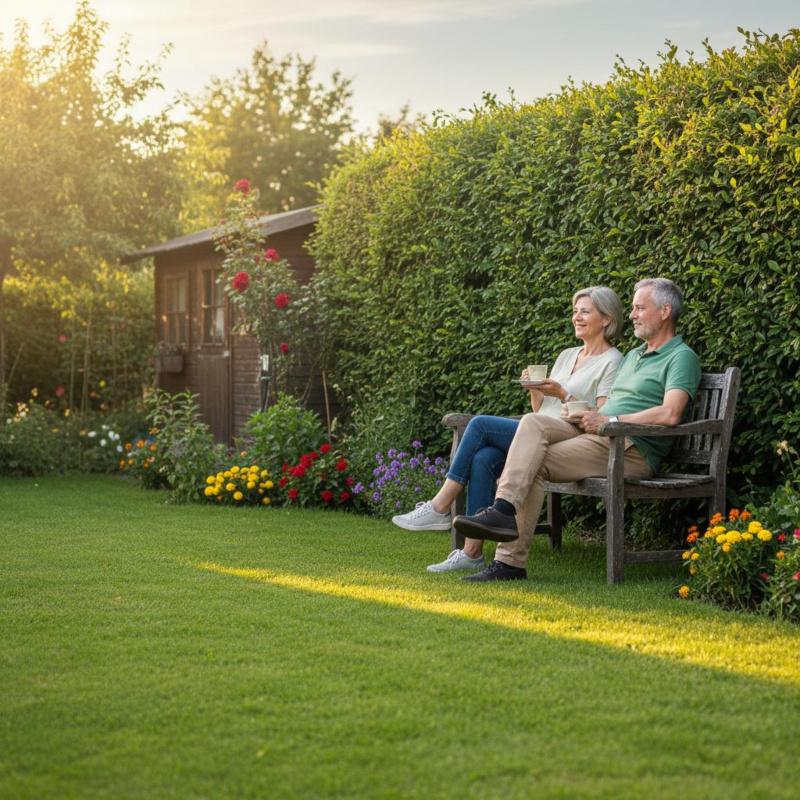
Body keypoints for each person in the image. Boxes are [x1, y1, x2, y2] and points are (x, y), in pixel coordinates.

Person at [455, 277, 701, 581]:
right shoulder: (635, 355)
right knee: (533, 431)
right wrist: (584, 412)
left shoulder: (681, 357)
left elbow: (671, 413)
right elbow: (607, 406)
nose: (634, 314)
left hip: (630, 449)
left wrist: (610, 422)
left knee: (532, 459)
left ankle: (504, 534)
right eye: (634, 308)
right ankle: (508, 550)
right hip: (597, 435)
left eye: (640, 307)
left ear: (664, 312)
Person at [391, 286, 625, 573]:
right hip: (539, 428)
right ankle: (471, 552)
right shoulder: (567, 355)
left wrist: (563, 392)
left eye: (585, 311)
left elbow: (598, 416)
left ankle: (440, 506)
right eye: (575, 311)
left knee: (479, 425)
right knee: (484, 457)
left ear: (606, 318)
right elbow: (540, 411)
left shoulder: (613, 361)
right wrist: (536, 390)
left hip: (571, 434)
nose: (577, 317)